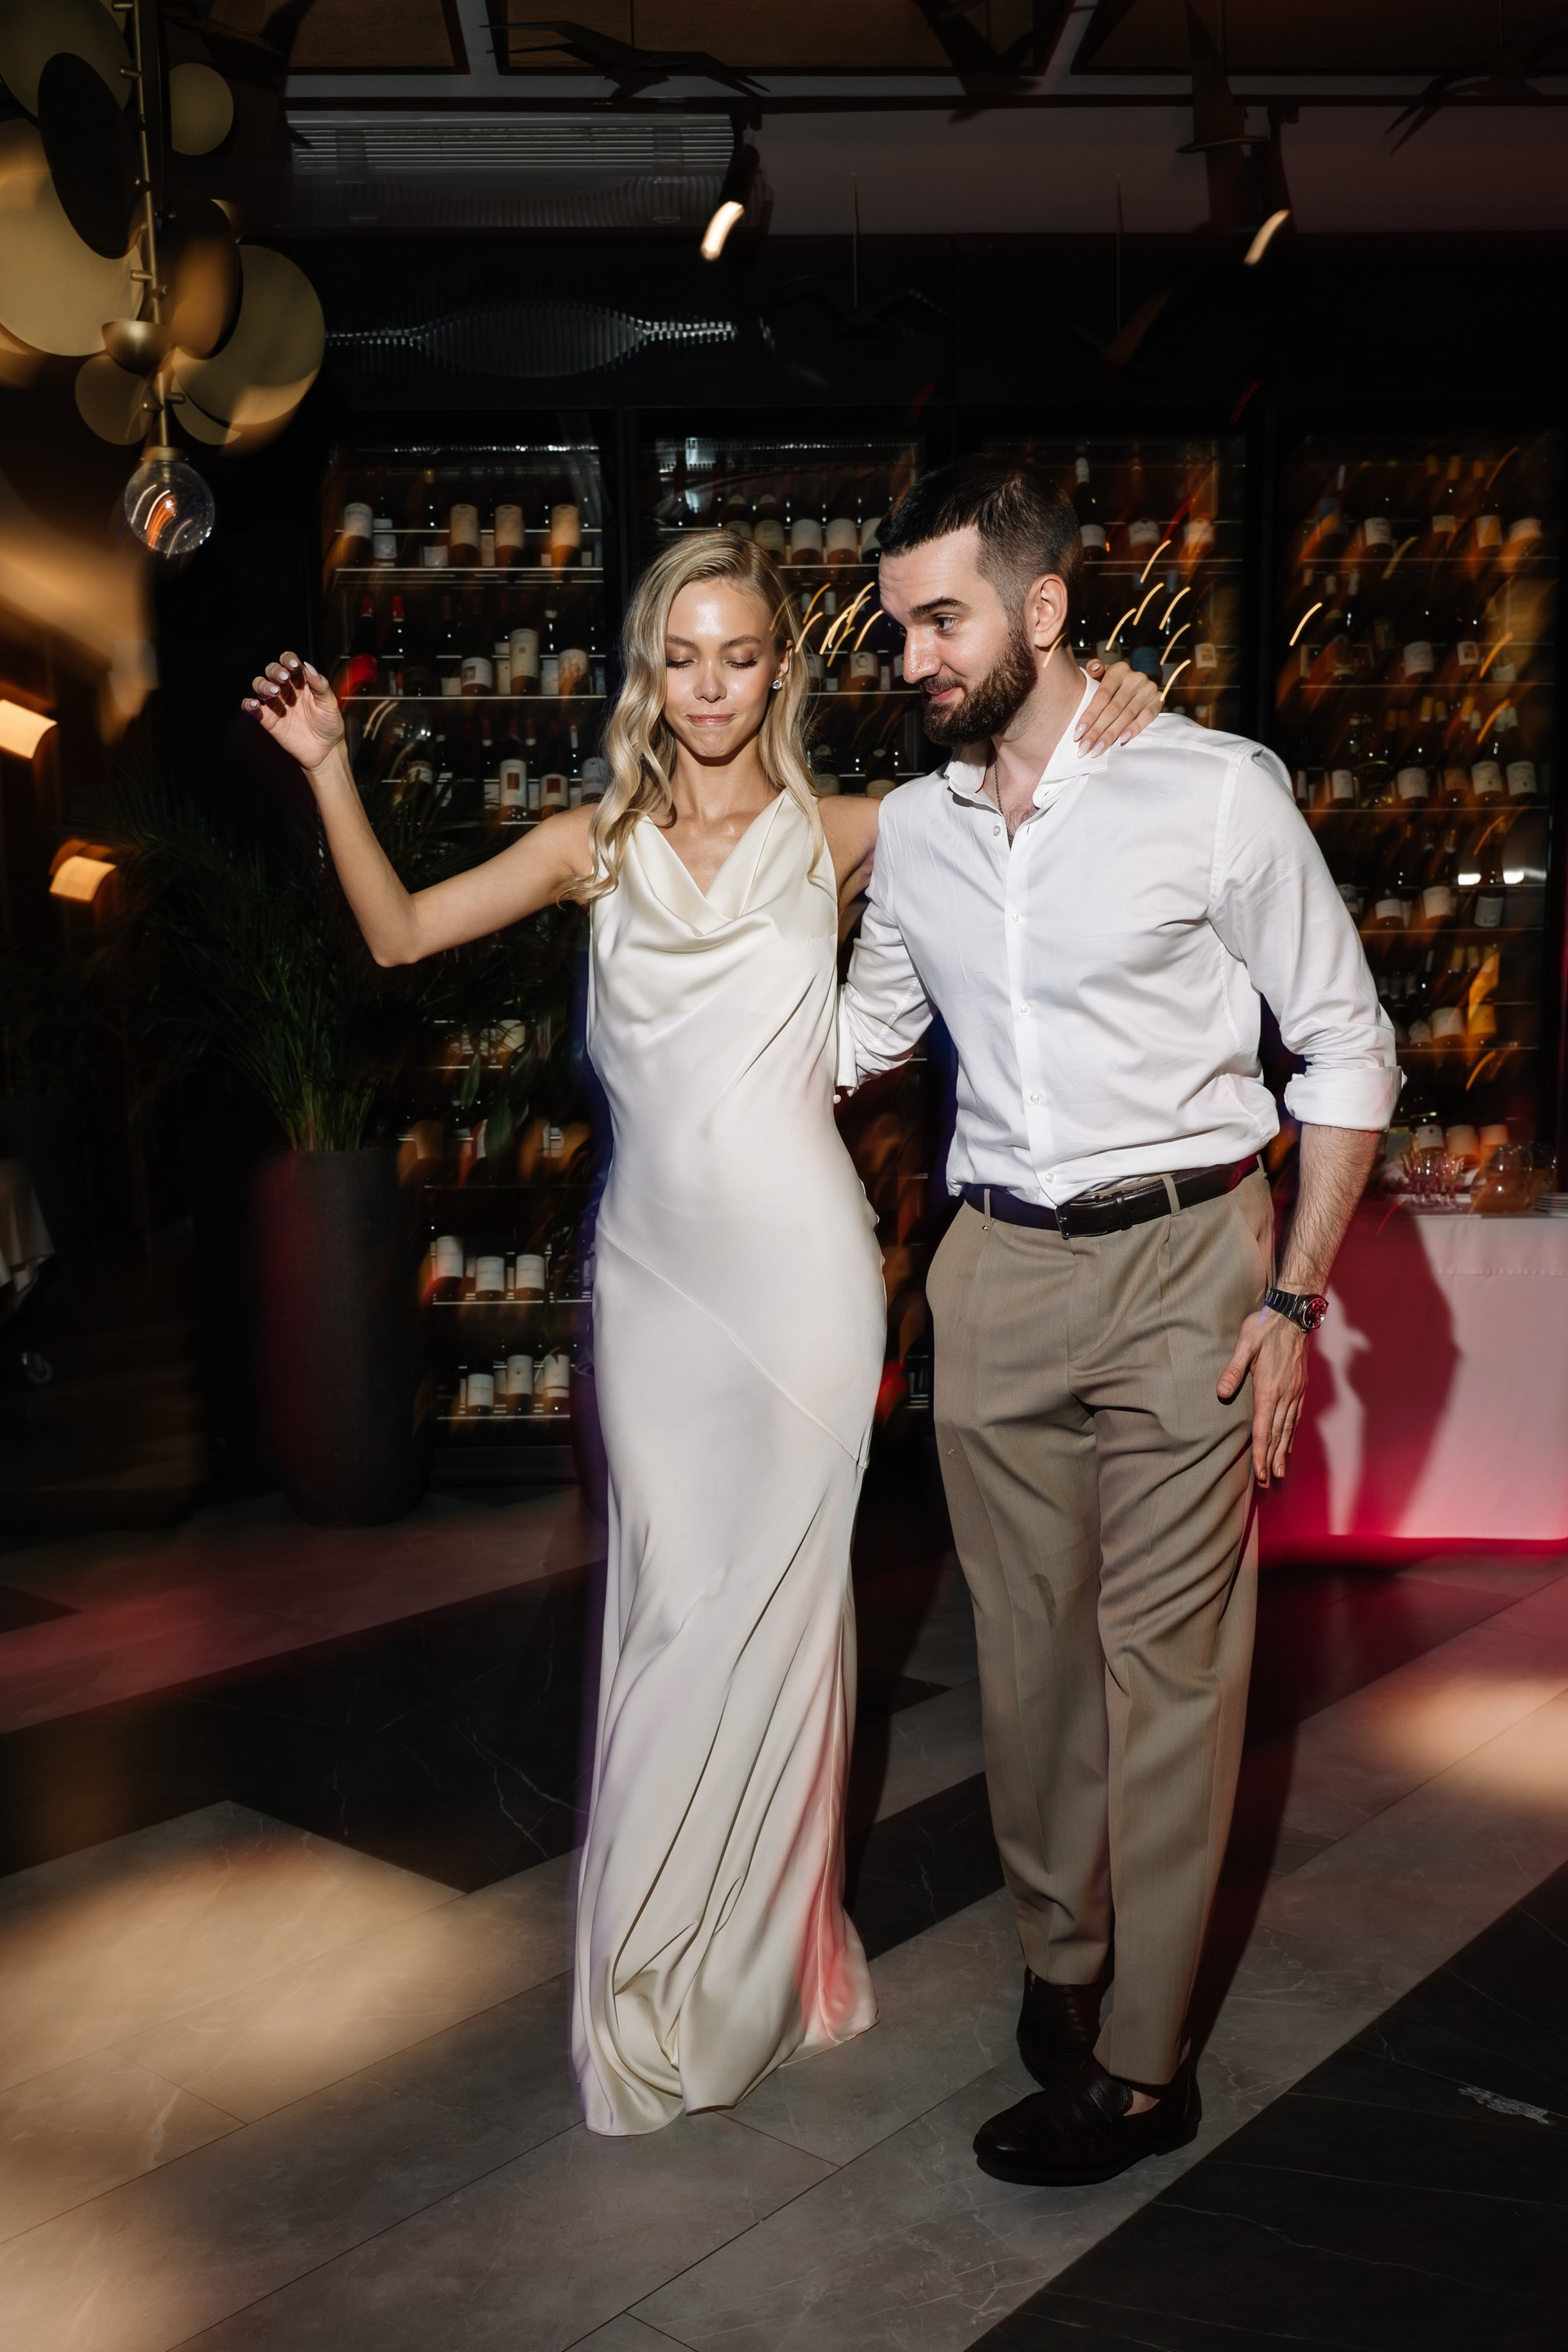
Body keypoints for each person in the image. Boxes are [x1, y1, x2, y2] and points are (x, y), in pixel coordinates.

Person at [243, 532, 1160, 2135]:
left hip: (806, 1285)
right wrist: (328, 765)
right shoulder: (591, 844)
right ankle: (651, 1973)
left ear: (780, 670)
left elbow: (1043, 790)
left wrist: (1114, 695)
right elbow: (395, 934)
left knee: (790, 1631)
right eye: (684, 656)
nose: (712, 686)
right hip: (660, 1287)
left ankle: (764, 1969)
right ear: (649, 673)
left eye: (740, 655)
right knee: (675, 1620)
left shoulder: (854, 832)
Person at [839, 454, 1399, 2187]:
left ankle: (1147, 2068)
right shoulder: (918, 830)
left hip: (1186, 1270)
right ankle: (1062, 1962)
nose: (914, 659)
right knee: (1027, 1671)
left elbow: (1348, 1046)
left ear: (1044, 608)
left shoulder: (1213, 793)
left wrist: (1293, 1298)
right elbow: (862, 1039)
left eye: (943, 622)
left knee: (1169, 1671)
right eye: (899, 629)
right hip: (997, 1272)